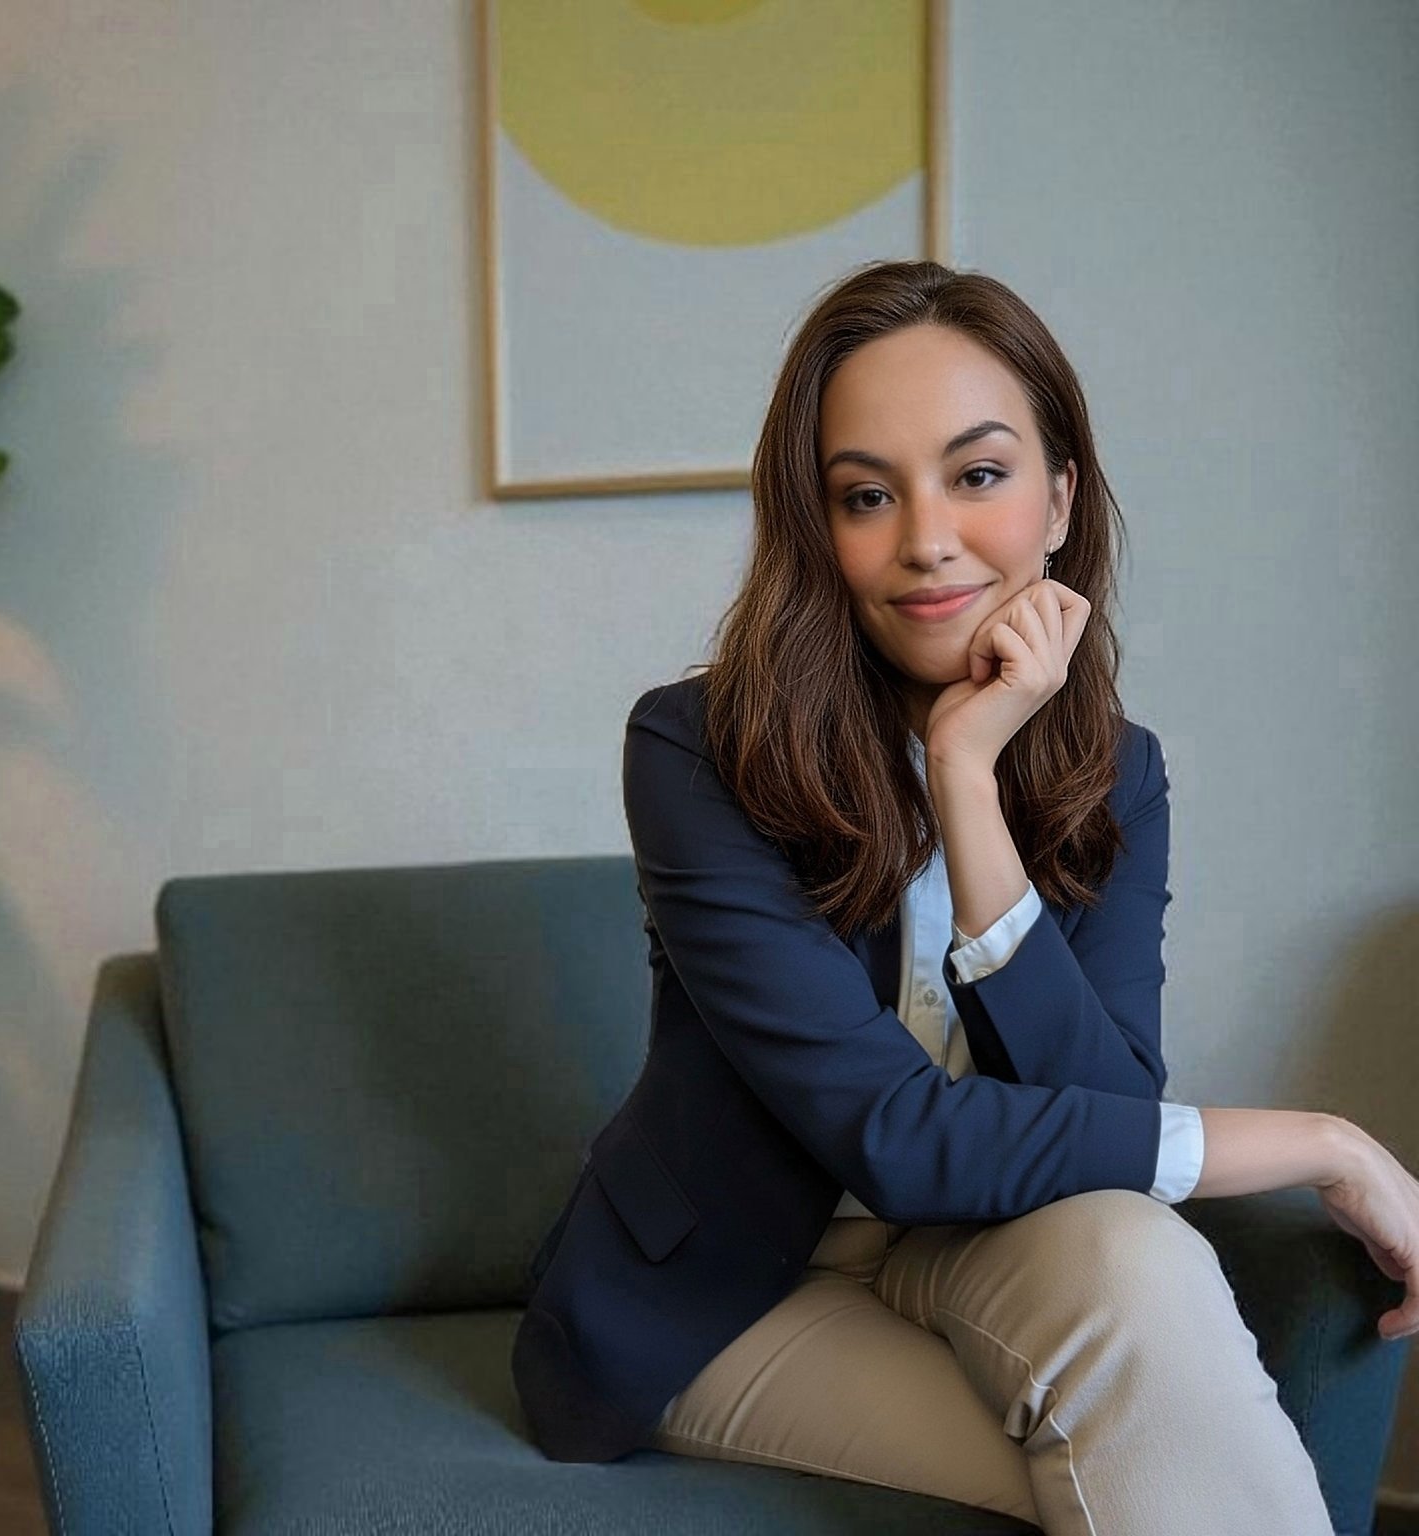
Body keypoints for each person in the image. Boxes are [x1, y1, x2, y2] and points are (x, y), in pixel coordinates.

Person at [509, 259, 1418, 1535]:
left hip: (981, 1245)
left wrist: (966, 779)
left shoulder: (1119, 771)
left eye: (976, 475)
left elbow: (1101, 1118)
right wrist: (1323, 1140)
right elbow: (887, 1133)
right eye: (865, 494)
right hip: (732, 1296)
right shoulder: (692, 748)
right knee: (1162, 1456)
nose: (925, 537)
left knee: (1136, 1259)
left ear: (1056, 498)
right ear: (813, 528)